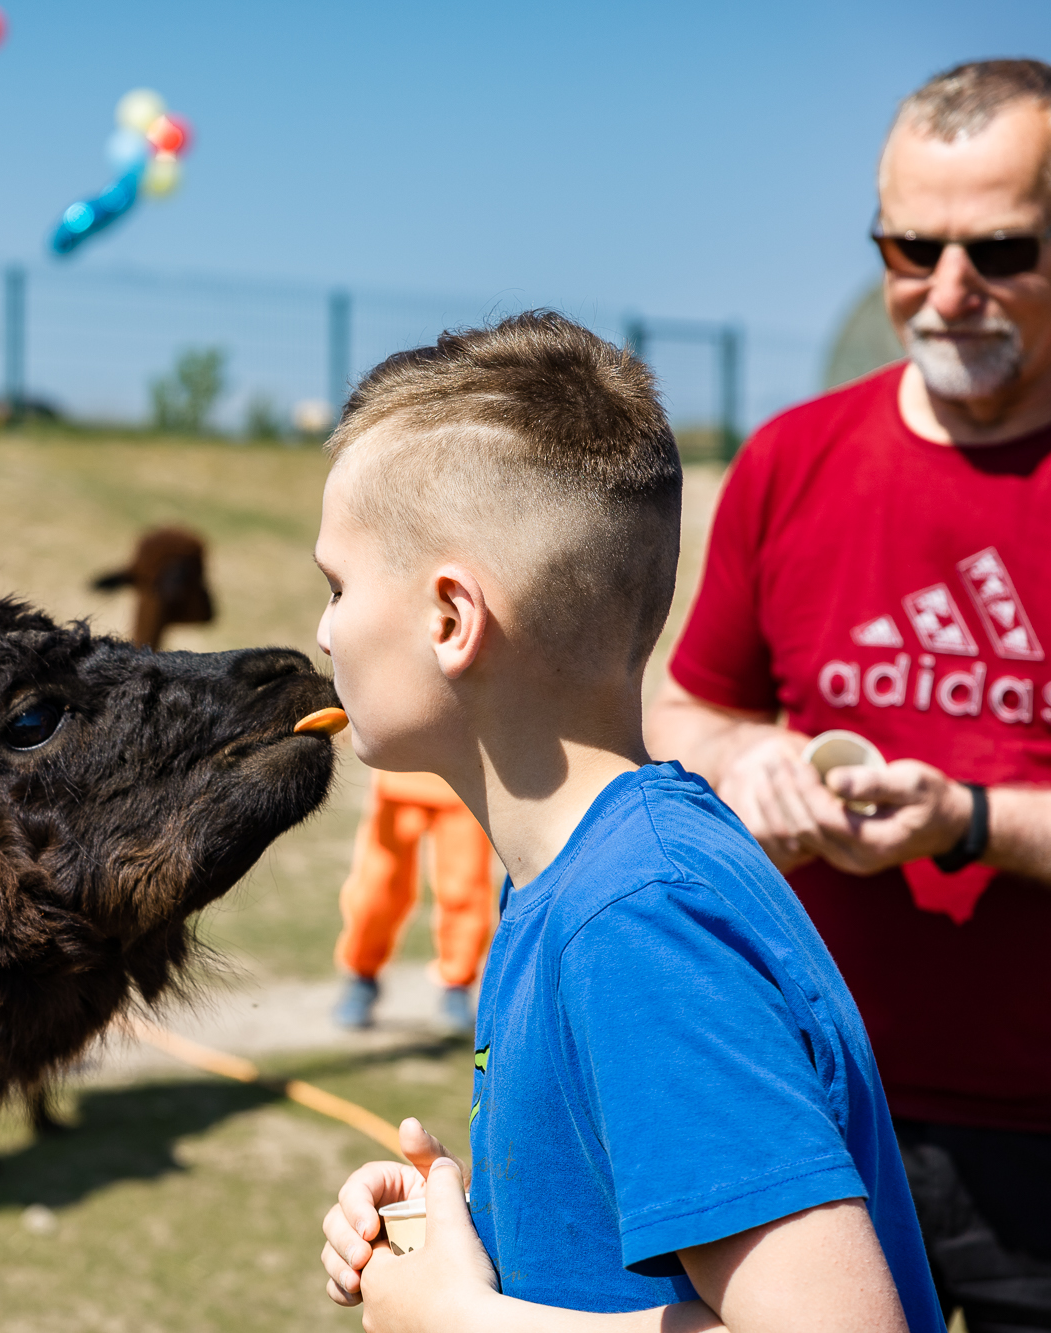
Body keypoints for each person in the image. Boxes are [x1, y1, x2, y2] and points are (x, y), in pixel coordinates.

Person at [311, 312, 943, 1332]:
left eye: (337, 586)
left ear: (449, 619)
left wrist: (459, 1320)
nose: (323, 630)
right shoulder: (585, 879)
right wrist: (462, 1237)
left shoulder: (638, 921)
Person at [648, 59, 1051, 1332]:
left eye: (999, 249)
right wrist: (746, 760)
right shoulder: (792, 458)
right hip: (810, 1103)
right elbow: (683, 709)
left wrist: (966, 820)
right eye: (909, 246)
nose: (946, 289)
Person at [330, 769, 493, 1034]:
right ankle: (362, 975)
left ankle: (457, 985)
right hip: (399, 774)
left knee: (465, 888)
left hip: (467, 779)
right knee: (378, 887)